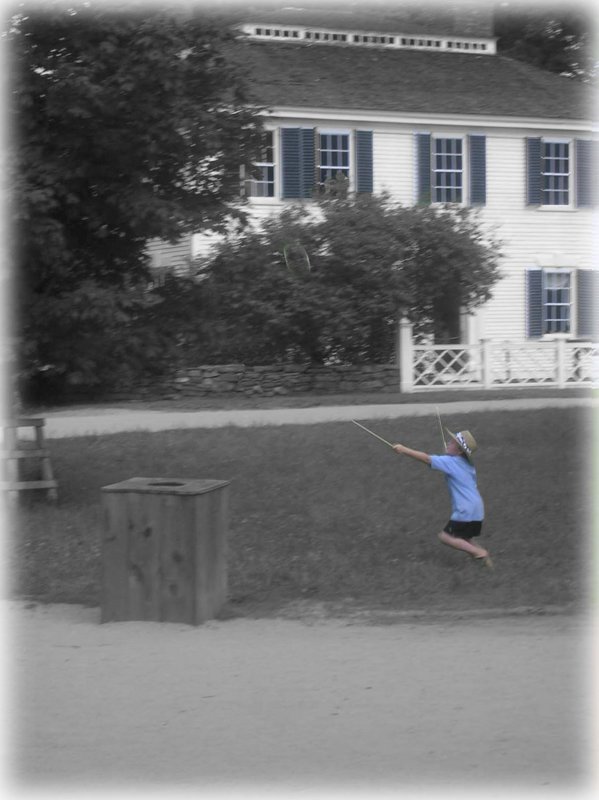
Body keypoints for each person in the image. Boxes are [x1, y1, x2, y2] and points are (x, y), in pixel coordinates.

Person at [392, 429, 493, 569]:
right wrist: (449, 454)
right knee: (465, 538)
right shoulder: (468, 465)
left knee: (446, 537)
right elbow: (454, 466)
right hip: (477, 509)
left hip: (466, 509)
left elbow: (427, 459)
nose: (448, 443)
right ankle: (485, 563)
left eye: (452, 443)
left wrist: (404, 449)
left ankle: (479, 552)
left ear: (459, 451)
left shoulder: (450, 462)